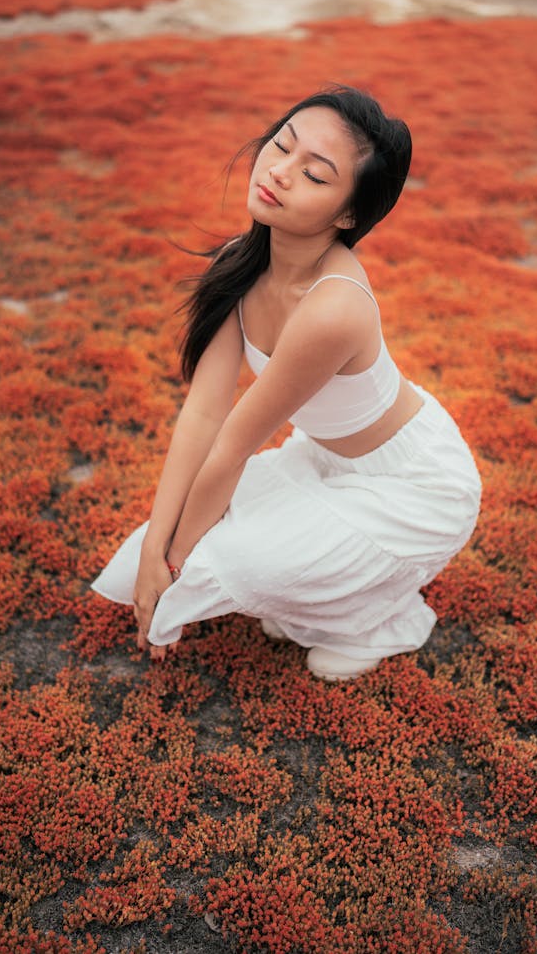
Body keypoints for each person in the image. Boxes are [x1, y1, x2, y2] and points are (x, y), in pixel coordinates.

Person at [91, 86, 481, 681]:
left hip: (415, 488)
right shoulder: (240, 263)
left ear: (348, 215)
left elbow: (232, 449)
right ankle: (328, 592)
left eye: (315, 175)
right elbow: (203, 415)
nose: (279, 172)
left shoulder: (332, 309)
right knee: (151, 550)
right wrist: (155, 551)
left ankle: (387, 619)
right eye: (281, 146)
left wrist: (172, 566)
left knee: (230, 560)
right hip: (322, 462)